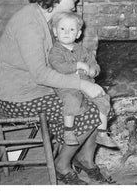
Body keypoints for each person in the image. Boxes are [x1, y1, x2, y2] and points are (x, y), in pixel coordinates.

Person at [0, 0, 113, 184]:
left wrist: (82, 71)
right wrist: (81, 84)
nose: (75, 7)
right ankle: (62, 164)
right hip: (19, 97)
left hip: (38, 90)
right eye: (73, 0)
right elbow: (40, 74)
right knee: (88, 111)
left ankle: (85, 159)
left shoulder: (46, 19)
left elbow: (55, 61)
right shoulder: (29, 25)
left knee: (99, 101)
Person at [48, 11, 117, 148]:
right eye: (62, 29)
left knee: (103, 99)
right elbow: (59, 67)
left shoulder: (82, 50)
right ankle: (68, 131)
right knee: (73, 100)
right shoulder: (55, 51)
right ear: (55, 32)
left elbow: (93, 63)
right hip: (66, 85)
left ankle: (102, 133)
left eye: (72, 29)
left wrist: (93, 70)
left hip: (87, 83)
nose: (67, 32)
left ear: (78, 34)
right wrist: (78, 65)